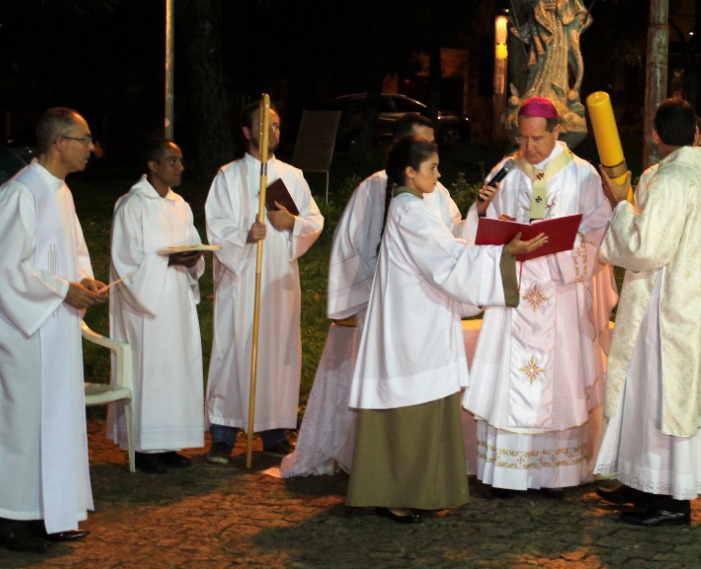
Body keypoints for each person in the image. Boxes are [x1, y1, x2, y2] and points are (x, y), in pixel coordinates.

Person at [346, 137, 545, 523]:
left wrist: (479, 215)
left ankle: (417, 491)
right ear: (410, 171)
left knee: (423, 408)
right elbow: (447, 258)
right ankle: (396, 495)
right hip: (412, 328)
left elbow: (449, 245)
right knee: (410, 411)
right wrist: (505, 253)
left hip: (420, 320)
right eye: (433, 168)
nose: (438, 175)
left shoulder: (412, 206)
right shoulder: (409, 211)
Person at [592, 98, 701, 526]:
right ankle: (644, 485)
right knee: (651, 397)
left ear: (656, 136)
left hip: (665, 310)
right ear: (696, 134)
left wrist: (622, 204)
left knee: (662, 399)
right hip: (691, 306)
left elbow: (645, 248)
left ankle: (670, 501)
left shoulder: (672, 180)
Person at [281, 114, 459, 478]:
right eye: (424, 144)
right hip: (381, 304)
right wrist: (361, 297)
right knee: (378, 383)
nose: (432, 152)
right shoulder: (374, 188)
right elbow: (354, 245)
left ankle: (405, 465)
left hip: (423, 306)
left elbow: (450, 237)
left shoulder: (437, 191)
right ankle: (368, 459)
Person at [0, 107, 107, 552]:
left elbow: (74, 253)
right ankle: (8, 521)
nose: (91, 148)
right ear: (59, 143)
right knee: (20, 422)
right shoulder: (21, 193)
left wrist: (83, 281)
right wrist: (60, 290)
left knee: (55, 422)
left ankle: (50, 513)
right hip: (22, 329)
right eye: (84, 140)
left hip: (55, 327)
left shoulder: (60, 193)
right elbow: (2, 267)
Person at [462, 97, 615, 498]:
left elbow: (600, 232)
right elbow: (478, 223)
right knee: (507, 377)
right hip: (513, 288)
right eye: (523, 138)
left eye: (537, 139)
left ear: (556, 133)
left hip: (559, 292)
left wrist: (564, 248)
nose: (528, 147)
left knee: (560, 378)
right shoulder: (505, 169)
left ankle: (556, 475)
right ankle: (507, 474)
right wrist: (490, 221)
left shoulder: (582, 175)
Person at [204, 102, 324, 464]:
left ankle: (273, 431)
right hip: (239, 281)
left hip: (278, 279)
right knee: (234, 347)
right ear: (246, 131)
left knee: (276, 351)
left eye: (275, 125)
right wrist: (244, 234)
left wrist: (294, 226)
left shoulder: (292, 176)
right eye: (262, 124)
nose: (270, 130)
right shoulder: (227, 176)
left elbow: (314, 220)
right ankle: (224, 433)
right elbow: (216, 227)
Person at [108, 139, 207, 474]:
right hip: (146, 306)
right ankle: (144, 446)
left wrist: (193, 258)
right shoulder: (132, 205)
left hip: (176, 300)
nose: (180, 167)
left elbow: (192, 245)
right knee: (149, 372)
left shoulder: (181, 205)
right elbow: (124, 261)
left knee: (176, 371)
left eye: (180, 161)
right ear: (152, 166)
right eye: (172, 161)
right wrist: (165, 260)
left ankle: (169, 443)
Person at [507, 0, 591, 136]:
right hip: (540, 27)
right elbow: (526, 2)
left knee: (560, 63)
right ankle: (538, 95)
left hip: (560, 27)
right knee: (539, 65)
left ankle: (558, 96)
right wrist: (532, 1)